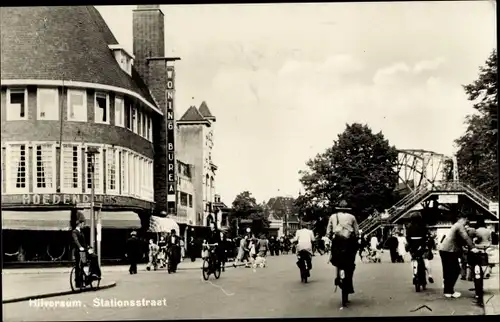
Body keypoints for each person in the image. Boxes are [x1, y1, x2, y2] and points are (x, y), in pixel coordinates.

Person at [439, 213, 478, 298]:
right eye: (466, 221)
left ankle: (447, 289)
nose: (466, 223)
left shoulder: (455, 225)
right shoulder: (459, 226)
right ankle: (449, 290)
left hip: (444, 249)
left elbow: (459, 240)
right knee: (456, 270)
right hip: (450, 250)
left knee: (447, 270)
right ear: (463, 219)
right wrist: (473, 247)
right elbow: (466, 237)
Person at [326, 201, 360, 300]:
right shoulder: (352, 217)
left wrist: (329, 236)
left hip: (337, 242)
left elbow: (328, 231)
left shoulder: (333, 216)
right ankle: (349, 279)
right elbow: (357, 231)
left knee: (336, 260)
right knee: (351, 262)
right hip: (349, 243)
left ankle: (337, 276)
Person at [405, 213, 434, 283]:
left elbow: (407, 237)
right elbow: (426, 236)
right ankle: (430, 275)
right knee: (426, 260)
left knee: (413, 260)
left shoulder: (409, 227)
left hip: (413, 246)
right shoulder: (423, 226)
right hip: (422, 246)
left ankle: (414, 274)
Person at [71, 212, 87, 288]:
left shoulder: (81, 232)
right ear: (79, 224)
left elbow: (84, 242)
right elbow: (76, 240)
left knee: (82, 266)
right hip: (78, 251)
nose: (83, 225)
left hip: (83, 252)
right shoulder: (74, 232)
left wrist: (87, 247)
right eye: (83, 223)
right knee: (78, 267)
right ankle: (78, 283)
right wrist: (80, 247)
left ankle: (83, 281)